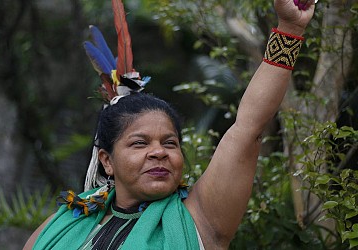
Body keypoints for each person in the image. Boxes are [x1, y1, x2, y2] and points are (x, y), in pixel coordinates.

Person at [24, 0, 316, 249]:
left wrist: (289, 30)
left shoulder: (201, 216)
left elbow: (249, 127)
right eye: (140, 142)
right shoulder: (63, 223)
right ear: (106, 160)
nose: (159, 152)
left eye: (170, 143)